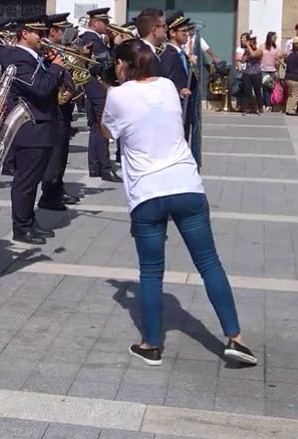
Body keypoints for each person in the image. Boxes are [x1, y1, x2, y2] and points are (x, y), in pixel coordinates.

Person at [100, 40, 258, 367]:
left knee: (151, 272)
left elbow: (107, 132)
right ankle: (236, 338)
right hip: (186, 185)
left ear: (122, 65)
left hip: (147, 192)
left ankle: (151, 344)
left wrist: (107, 87)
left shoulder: (116, 95)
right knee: (209, 263)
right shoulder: (168, 86)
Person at [0, 16, 64, 245]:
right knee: (25, 181)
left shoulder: (34, 57)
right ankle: (21, 227)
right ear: (24, 34)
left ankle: (29, 221)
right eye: (38, 33)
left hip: (42, 126)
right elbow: (41, 89)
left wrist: (52, 66)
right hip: (30, 128)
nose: (43, 38)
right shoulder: (17, 58)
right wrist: (55, 68)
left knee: (33, 180)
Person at [40, 13, 80, 211]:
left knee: (61, 152)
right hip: (53, 108)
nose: (66, 34)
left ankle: (57, 188)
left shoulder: (60, 50)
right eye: (63, 31)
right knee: (55, 154)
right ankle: (49, 194)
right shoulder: (45, 52)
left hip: (63, 106)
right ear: (53, 31)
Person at [78, 8, 119, 182]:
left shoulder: (91, 39)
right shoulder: (92, 39)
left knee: (96, 129)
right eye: (105, 22)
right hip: (99, 88)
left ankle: (95, 167)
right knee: (102, 129)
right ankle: (104, 168)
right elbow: (106, 65)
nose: (108, 25)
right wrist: (115, 45)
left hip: (93, 89)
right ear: (95, 23)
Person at [282, 39, 298, 115]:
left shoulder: (290, 56)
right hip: (296, 78)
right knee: (296, 95)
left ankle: (288, 109)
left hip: (288, 78)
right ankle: (292, 110)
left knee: (290, 94)